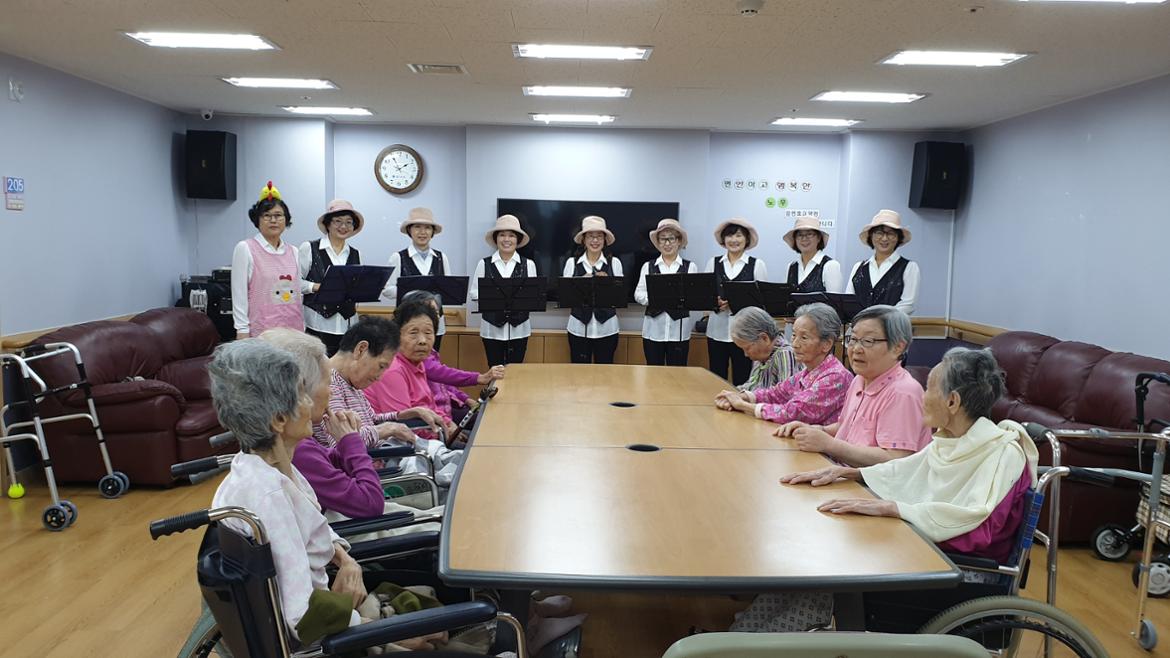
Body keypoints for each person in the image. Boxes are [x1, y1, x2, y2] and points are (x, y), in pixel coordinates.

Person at [730, 348, 1037, 633]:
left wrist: (894, 509)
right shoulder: (952, 441)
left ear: (952, 402)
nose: (923, 397)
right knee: (816, 556)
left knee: (833, 565)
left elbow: (978, 529)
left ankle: (754, 640)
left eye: (930, 388)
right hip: (927, 547)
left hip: (962, 570)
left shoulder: (1002, 454)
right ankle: (745, 632)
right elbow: (907, 470)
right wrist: (851, 472)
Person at [209, 339, 367, 640]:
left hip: (334, 607)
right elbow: (302, 617)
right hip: (329, 636)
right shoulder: (268, 497)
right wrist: (376, 628)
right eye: (301, 394)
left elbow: (309, 524)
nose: (310, 401)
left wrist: (345, 559)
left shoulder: (263, 467)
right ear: (279, 420)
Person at [259, 328, 443, 530]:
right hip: (354, 521)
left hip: (349, 509)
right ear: (298, 391)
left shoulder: (299, 442)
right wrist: (352, 441)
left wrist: (398, 417)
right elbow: (370, 504)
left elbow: (331, 457)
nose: (329, 392)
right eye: (326, 384)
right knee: (443, 521)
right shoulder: (297, 450)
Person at [773, 304, 932, 467]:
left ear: (898, 347)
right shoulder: (859, 380)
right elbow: (847, 426)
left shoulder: (903, 392)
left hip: (869, 483)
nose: (856, 349)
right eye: (853, 339)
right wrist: (818, 430)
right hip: (843, 470)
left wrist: (829, 444)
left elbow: (896, 459)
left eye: (868, 341)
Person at [311, 316, 442, 451]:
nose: (379, 377)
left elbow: (371, 420)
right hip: (363, 462)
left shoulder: (351, 383)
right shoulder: (327, 384)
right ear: (361, 349)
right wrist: (388, 429)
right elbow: (342, 440)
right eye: (381, 366)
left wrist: (402, 415)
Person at [715, 303, 852, 424]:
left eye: (804, 337)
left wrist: (742, 405)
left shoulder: (835, 377)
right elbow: (775, 393)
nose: (795, 344)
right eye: (794, 335)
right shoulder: (806, 373)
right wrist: (742, 396)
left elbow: (794, 413)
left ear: (827, 344)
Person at [381, 290, 504, 423]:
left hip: (444, 411)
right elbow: (407, 422)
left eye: (436, 312)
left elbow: (443, 386)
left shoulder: (421, 360)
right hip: (431, 423)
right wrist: (478, 378)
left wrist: (465, 399)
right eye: (413, 333)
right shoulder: (397, 368)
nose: (422, 340)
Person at [362, 300, 462, 436]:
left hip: (431, 436)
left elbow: (430, 407)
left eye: (428, 333)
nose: (422, 340)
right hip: (405, 445)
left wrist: (449, 424)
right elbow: (404, 428)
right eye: (413, 333)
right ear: (397, 336)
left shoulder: (417, 363)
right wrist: (443, 434)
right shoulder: (392, 370)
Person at [231, 181, 310, 338]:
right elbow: (239, 295)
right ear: (257, 220)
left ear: (286, 220)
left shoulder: (294, 251)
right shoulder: (245, 248)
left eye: (278, 215)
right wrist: (242, 331)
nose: (273, 220)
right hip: (262, 331)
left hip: (294, 331)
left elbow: (297, 290)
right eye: (267, 215)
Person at [705, 218, 768, 386]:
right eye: (730, 236)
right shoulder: (713, 263)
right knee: (716, 377)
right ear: (723, 240)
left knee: (743, 377)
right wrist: (714, 301)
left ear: (746, 239)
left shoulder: (757, 264)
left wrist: (735, 303)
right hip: (716, 330)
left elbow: (762, 301)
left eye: (739, 235)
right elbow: (704, 295)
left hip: (746, 333)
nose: (734, 240)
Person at [469, 214, 538, 366]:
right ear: (496, 239)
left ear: (517, 239)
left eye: (511, 235)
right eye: (502, 235)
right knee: (494, 370)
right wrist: (492, 296)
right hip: (491, 330)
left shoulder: (529, 264)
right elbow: (474, 293)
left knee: (516, 372)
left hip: (519, 329)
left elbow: (533, 295)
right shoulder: (483, 264)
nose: (507, 239)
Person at [381, 207, 454, 350]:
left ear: (432, 232)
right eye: (417, 227)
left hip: (435, 323)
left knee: (432, 360)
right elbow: (387, 289)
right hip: (407, 321)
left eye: (427, 228)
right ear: (410, 231)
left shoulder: (441, 257)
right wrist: (412, 292)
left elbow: (448, 288)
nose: (422, 232)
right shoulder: (398, 257)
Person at [298, 199, 364, 356]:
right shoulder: (309, 248)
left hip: (348, 326)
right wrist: (315, 287)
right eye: (338, 221)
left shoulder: (356, 254)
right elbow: (294, 283)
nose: (343, 226)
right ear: (327, 224)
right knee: (317, 368)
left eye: (349, 222)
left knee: (342, 369)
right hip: (317, 325)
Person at [634, 218, 698, 366]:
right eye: (663, 239)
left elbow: (694, 297)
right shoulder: (648, 266)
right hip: (653, 330)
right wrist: (655, 298)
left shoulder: (690, 267)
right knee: (653, 372)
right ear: (658, 242)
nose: (667, 243)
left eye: (671, 238)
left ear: (679, 241)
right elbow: (638, 294)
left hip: (679, 332)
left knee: (678, 373)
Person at [563, 215, 624, 364]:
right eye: (590, 236)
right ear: (584, 240)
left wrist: (608, 283)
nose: (595, 240)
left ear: (605, 240)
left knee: (605, 372)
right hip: (578, 328)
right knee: (579, 372)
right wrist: (580, 283)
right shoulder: (572, 263)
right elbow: (564, 296)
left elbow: (620, 297)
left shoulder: (614, 263)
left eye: (599, 236)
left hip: (607, 329)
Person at [845, 210, 920, 314]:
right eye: (879, 233)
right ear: (871, 236)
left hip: (891, 324)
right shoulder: (858, 267)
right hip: (859, 323)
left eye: (891, 234)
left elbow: (908, 305)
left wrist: (878, 319)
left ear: (898, 238)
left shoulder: (909, 267)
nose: (884, 238)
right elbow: (849, 300)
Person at [725, 306, 797, 392]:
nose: (746, 354)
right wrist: (735, 392)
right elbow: (753, 385)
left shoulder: (785, 354)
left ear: (764, 338)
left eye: (747, 348)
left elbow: (787, 394)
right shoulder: (762, 354)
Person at [783, 215, 842, 293]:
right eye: (800, 235)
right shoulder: (791, 267)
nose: (804, 239)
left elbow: (835, 299)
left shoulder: (830, 265)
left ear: (819, 238)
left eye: (809, 234)